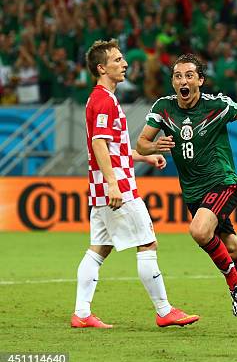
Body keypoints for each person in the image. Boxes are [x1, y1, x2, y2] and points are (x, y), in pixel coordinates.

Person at [136, 53, 237, 336]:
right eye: (177, 76)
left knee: (199, 231)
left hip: (222, 183)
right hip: (193, 192)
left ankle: (234, 282)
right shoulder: (163, 108)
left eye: (189, 75)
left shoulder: (217, 105)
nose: (183, 80)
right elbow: (141, 142)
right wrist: (154, 147)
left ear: (200, 80)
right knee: (233, 248)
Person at [72, 39, 199, 329]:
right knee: (148, 242)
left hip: (103, 186)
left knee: (98, 248)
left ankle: (81, 314)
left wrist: (145, 156)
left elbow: (113, 148)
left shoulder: (101, 98)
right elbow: (100, 145)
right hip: (118, 188)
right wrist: (114, 184)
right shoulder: (103, 99)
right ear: (102, 68)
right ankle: (164, 310)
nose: (124, 64)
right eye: (117, 60)